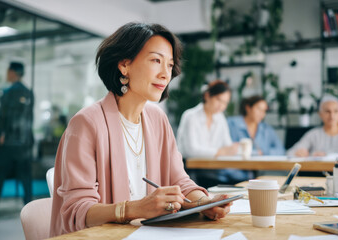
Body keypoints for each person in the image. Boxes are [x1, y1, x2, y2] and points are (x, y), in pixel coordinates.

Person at [50, 23, 231, 237]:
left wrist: (203, 202)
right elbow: (76, 212)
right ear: (124, 65)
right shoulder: (86, 123)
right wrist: (134, 209)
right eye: (156, 60)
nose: (166, 74)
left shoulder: (157, 119)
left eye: (170, 65)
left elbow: (179, 181)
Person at [177, 80, 252, 187]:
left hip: (214, 172)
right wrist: (220, 152)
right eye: (219, 100)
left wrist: (233, 149)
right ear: (207, 96)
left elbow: (227, 146)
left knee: (244, 183)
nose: (221, 106)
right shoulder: (191, 116)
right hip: (191, 172)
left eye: (225, 103)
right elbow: (191, 151)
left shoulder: (220, 118)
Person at [0, 62, 34, 221]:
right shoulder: (29, 93)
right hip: (24, 144)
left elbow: (3, 117)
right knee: (26, 179)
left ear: (13, 72)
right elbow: (29, 120)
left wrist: (1, 134)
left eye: (8, 71)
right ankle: (32, 213)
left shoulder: (7, 93)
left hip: (7, 143)